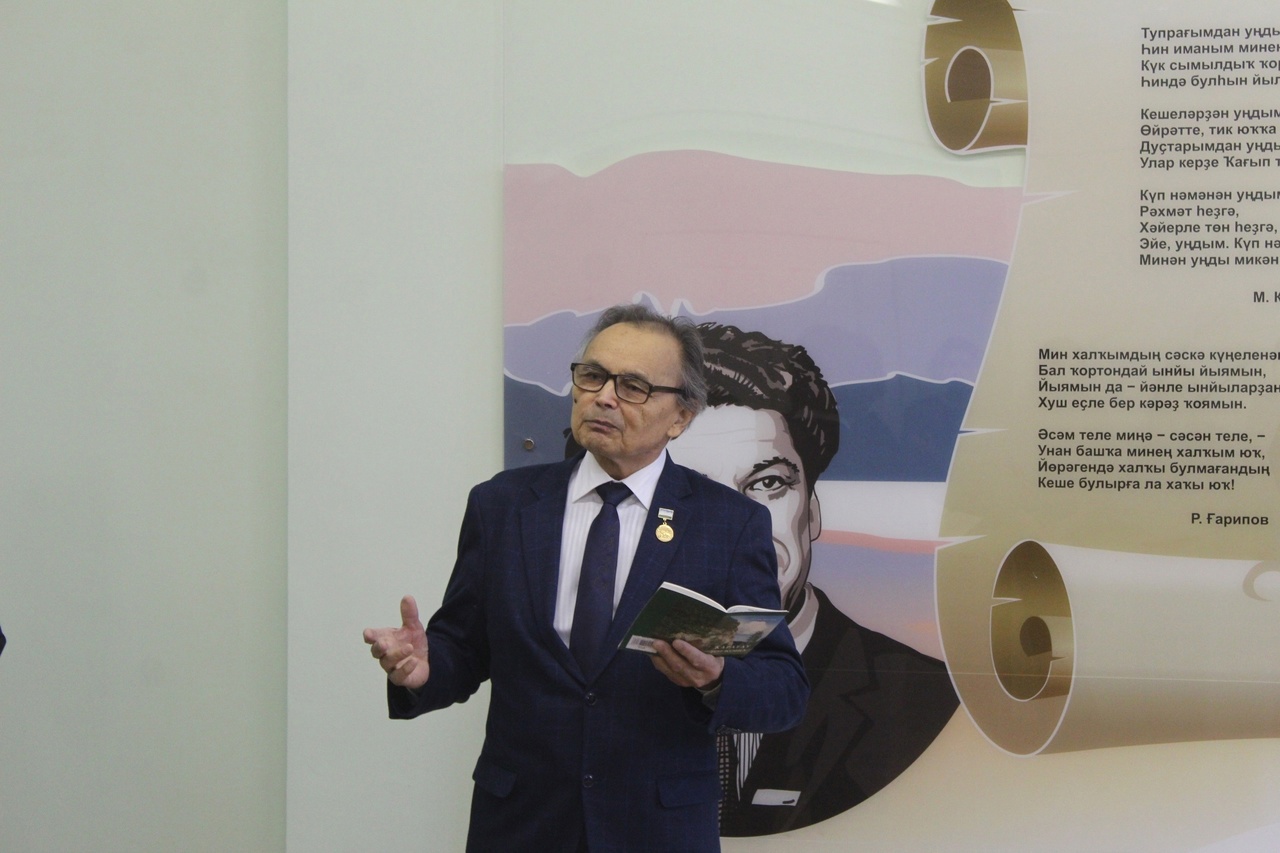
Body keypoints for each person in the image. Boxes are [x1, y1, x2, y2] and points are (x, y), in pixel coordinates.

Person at [364, 304, 808, 852]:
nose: (603, 397)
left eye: (633, 386)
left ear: (681, 416)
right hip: (521, 826)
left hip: (657, 830)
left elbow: (783, 688)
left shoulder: (728, 523)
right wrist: (426, 666)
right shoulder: (502, 505)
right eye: (593, 376)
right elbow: (464, 646)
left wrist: (716, 679)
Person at [665, 322, 959, 836]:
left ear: (813, 508)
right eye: (691, 490)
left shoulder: (924, 695)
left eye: (767, 483)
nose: (738, 525)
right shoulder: (592, 683)